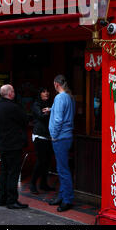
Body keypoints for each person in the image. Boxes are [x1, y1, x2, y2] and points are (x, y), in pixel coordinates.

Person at [0, 84, 29, 209]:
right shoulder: (13, 107)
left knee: (4, 172)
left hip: (3, 144)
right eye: (13, 91)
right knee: (13, 173)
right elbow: (24, 120)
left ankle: (2, 198)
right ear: (9, 94)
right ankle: (12, 200)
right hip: (13, 145)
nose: (14, 93)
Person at [48, 74, 75, 212]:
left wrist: (53, 135)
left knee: (63, 170)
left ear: (56, 84)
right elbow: (64, 113)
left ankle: (67, 199)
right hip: (68, 136)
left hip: (60, 138)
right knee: (63, 168)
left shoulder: (59, 97)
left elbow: (58, 119)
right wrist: (51, 110)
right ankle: (62, 196)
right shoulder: (70, 97)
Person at [30, 88, 55, 194]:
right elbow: (41, 116)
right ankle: (33, 184)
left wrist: (49, 110)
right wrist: (49, 111)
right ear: (39, 94)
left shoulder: (49, 104)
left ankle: (43, 184)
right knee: (40, 161)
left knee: (47, 161)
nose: (47, 93)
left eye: (47, 91)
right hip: (39, 135)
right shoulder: (36, 104)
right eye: (44, 91)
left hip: (48, 136)